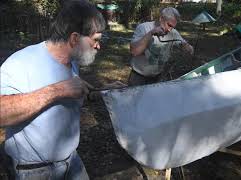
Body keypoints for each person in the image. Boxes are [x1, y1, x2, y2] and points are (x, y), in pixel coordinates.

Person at [0, 1, 123, 179]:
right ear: (74, 38)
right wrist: (56, 90)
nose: (98, 46)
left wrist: (104, 90)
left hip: (71, 160)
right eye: (95, 40)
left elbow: (73, 96)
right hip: (34, 170)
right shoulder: (20, 64)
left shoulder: (72, 61)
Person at [128, 7, 194, 86]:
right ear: (161, 18)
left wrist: (187, 47)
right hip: (138, 77)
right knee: (135, 98)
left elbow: (185, 45)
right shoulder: (144, 28)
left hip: (157, 77)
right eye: (169, 25)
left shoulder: (173, 33)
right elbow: (134, 51)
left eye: (173, 27)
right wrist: (151, 33)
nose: (170, 29)